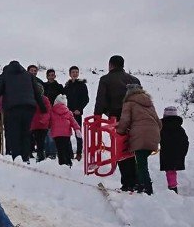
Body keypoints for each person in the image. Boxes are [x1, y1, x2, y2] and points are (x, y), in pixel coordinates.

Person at [94, 55, 141, 191]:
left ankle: (127, 183)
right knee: (132, 148)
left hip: (117, 119)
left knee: (120, 149)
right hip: (134, 118)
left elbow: (100, 100)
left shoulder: (106, 79)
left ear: (110, 65)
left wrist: (97, 117)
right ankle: (137, 180)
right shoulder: (134, 79)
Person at [0, 60, 46, 163]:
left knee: (13, 133)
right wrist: (43, 108)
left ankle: (16, 158)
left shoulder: (5, 75)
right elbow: (37, 92)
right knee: (26, 132)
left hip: (12, 108)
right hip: (29, 108)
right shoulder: (29, 75)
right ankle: (25, 157)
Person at [116, 85, 162, 195]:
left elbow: (125, 120)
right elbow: (158, 122)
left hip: (140, 134)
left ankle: (146, 188)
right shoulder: (149, 103)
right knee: (141, 161)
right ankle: (141, 184)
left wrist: (120, 131)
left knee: (141, 164)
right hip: (154, 133)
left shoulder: (129, 103)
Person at [159, 106, 189, 193]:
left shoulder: (162, 128)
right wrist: (183, 153)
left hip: (166, 152)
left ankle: (172, 188)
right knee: (173, 170)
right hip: (178, 152)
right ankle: (173, 187)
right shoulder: (180, 129)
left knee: (170, 171)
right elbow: (185, 142)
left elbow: (157, 138)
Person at [63, 66, 89, 161]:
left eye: (76, 72)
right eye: (73, 72)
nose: (75, 74)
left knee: (78, 133)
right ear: (70, 74)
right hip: (67, 113)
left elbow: (86, 99)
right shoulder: (67, 85)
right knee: (66, 132)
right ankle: (69, 152)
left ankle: (79, 152)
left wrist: (79, 109)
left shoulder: (82, 85)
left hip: (77, 113)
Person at [50, 95, 82, 167]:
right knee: (66, 148)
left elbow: (49, 121)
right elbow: (74, 122)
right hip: (66, 134)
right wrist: (77, 129)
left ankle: (62, 163)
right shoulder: (68, 112)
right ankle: (68, 162)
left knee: (60, 149)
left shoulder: (52, 112)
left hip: (56, 134)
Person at [43, 69, 64, 159]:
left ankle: (52, 152)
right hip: (45, 111)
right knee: (45, 132)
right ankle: (47, 151)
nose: (51, 76)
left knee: (53, 132)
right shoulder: (44, 86)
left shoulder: (59, 86)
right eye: (50, 75)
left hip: (55, 111)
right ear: (47, 76)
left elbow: (62, 98)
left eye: (53, 75)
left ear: (55, 76)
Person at [30, 92, 52, 162]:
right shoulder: (45, 99)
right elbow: (48, 111)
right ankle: (40, 155)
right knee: (41, 141)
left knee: (35, 139)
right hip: (43, 124)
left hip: (34, 123)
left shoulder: (31, 99)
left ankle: (34, 154)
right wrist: (45, 121)